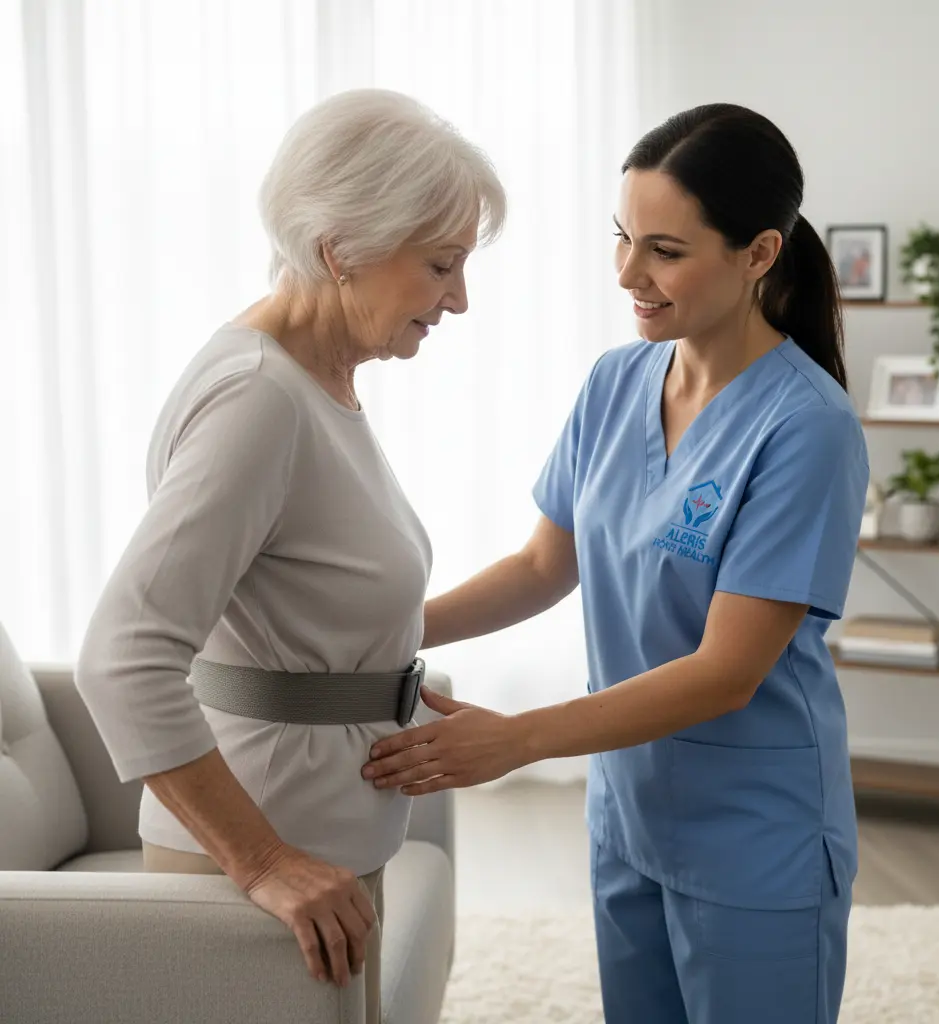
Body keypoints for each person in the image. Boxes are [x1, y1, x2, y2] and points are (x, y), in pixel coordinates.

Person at [363, 103, 869, 1024]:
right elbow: (541, 565)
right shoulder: (616, 382)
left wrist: (515, 739)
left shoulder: (807, 430)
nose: (629, 274)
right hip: (629, 813)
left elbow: (726, 673)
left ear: (760, 253)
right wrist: (390, 626)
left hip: (756, 834)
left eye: (665, 251)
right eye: (622, 239)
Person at [74, 88, 505, 1021]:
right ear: (340, 247)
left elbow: (297, 605)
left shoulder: (317, 383)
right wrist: (263, 861)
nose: (460, 300)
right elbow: (123, 656)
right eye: (442, 265)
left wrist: (389, 686)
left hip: (326, 835)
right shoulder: (258, 402)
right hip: (271, 857)